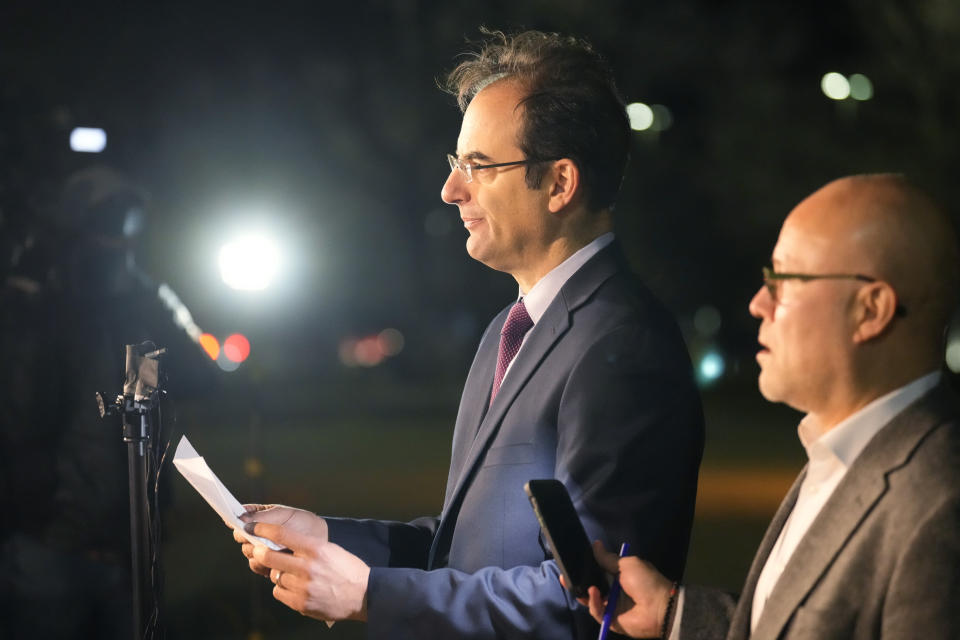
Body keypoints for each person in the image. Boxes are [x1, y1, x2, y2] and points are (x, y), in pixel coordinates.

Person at [233, 29, 704, 639]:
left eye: (479, 167)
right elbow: (463, 548)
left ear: (561, 183)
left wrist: (372, 595)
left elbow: (597, 602)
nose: (451, 190)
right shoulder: (508, 331)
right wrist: (330, 537)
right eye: (456, 164)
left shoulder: (624, 345)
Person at [578, 173, 960, 639]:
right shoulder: (840, 450)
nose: (759, 303)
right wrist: (675, 614)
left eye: (785, 279)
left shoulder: (939, 505)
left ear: (870, 310)